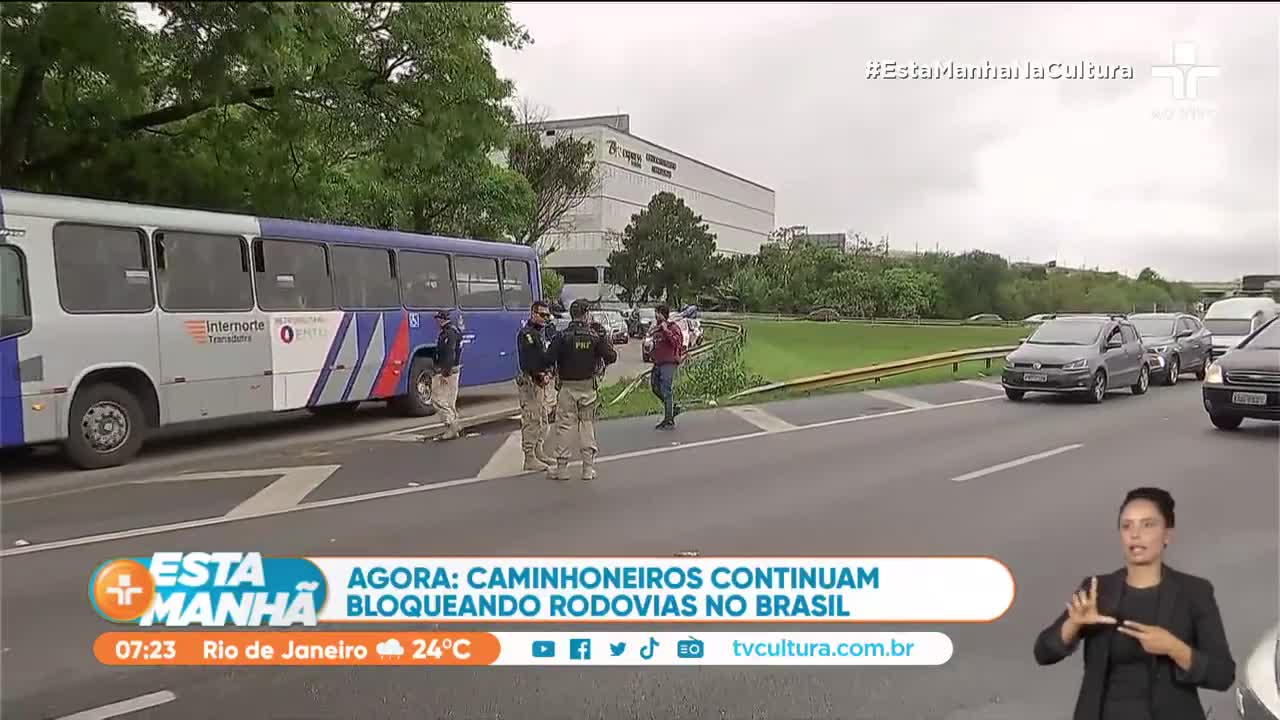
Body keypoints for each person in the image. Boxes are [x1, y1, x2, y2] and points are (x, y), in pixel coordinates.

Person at [1033, 487, 1235, 720]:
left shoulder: (1194, 592)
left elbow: (1222, 675)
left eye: (1147, 525)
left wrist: (1174, 648)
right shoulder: (1098, 590)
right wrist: (1073, 624)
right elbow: (1043, 653)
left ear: (1167, 535)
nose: (1135, 534)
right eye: (1127, 526)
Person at [545, 298, 617, 481]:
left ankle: (562, 469)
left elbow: (548, 358)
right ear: (586, 315)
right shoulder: (594, 336)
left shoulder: (561, 337)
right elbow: (611, 356)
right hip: (588, 387)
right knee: (586, 425)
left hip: (567, 388)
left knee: (564, 426)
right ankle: (588, 468)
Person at [515, 301, 556, 470]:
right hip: (531, 382)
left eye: (547, 315)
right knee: (532, 419)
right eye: (542, 315)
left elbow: (545, 356)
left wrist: (548, 372)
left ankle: (538, 450)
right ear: (533, 314)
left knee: (542, 419)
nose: (545, 318)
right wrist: (539, 375)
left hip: (541, 382)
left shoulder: (541, 333)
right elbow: (529, 360)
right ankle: (529, 457)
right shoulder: (527, 334)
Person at [648, 304, 685, 430]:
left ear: (662, 314)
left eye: (657, 313)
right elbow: (655, 344)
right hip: (658, 362)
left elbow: (676, 342)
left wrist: (666, 330)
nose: (655, 316)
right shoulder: (657, 329)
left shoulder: (672, 327)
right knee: (654, 386)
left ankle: (668, 419)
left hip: (669, 362)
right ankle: (672, 408)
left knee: (666, 389)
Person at [431, 309, 464, 441]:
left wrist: (445, 372)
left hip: (448, 371)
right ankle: (455, 427)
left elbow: (449, 354)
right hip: (453, 370)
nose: (436, 322)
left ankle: (452, 425)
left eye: (438, 319)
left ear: (441, 319)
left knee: (438, 399)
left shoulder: (448, 334)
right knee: (450, 401)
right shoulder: (454, 331)